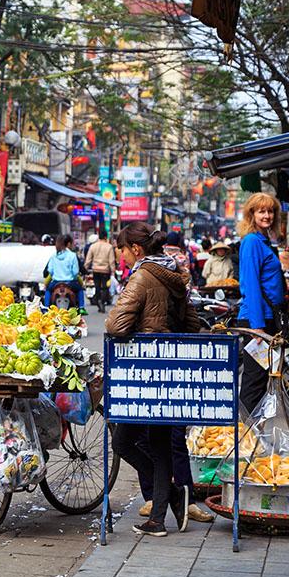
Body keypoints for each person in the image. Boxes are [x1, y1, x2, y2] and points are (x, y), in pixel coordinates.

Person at [105, 221, 201, 537]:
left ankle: (170, 497)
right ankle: (161, 513)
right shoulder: (174, 275)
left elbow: (116, 326)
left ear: (135, 249)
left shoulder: (143, 276)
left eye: (122, 250)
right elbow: (191, 323)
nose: (122, 257)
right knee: (159, 444)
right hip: (169, 370)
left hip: (144, 371)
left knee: (122, 440)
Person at [236, 193, 285, 414]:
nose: (267, 215)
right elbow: (250, 285)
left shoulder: (264, 240)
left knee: (262, 377)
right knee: (254, 380)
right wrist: (256, 326)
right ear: (252, 214)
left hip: (267, 317)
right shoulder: (252, 242)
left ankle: (252, 430)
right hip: (258, 319)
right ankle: (244, 433)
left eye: (270, 211)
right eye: (261, 211)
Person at [43, 234, 79, 308]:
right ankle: (81, 307)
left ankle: (46, 307)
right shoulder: (72, 255)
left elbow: (50, 270)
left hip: (56, 283)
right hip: (70, 283)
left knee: (48, 290)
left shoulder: (53, 256)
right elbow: (75, 272)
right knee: (80, 290)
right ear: (67, 244)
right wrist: (74, 277)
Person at [85, 228, 115, 313]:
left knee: (97, 287)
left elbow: (88, 259)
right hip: (106, 271)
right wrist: (113, 271)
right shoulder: (109, 247)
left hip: (96, 270)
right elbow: (111, 260)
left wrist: (85, 269)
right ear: (106, 237)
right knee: (105, 287)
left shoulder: (93, 246)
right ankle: (102, 302)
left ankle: (98, 302)